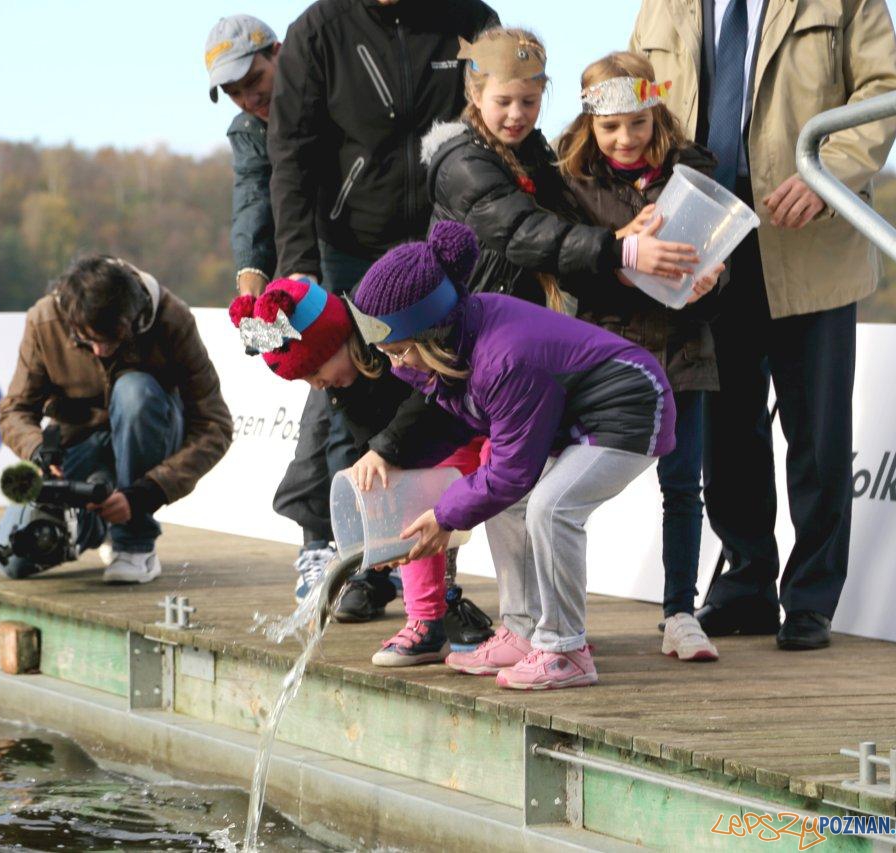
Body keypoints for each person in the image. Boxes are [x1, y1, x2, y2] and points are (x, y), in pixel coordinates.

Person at [630, 0, 896, 649]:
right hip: (702, 241)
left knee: (816, 427)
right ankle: (746, 580)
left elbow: (886, 91)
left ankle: (810, 598)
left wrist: (828, 173)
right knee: (725, 424)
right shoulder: (661, 4)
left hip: (810, 237)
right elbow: (636, 99)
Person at [350, 221, 677, 689]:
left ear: (432, 334)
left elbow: (511, 471)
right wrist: (390, 454)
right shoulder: (456, 344)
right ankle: (523, 633)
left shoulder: (505, 356)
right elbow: (452, 421)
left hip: (631, 403)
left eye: (400, 351)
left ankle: (565, 649)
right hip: (580, 414)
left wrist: (444, 516)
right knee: (510, 507)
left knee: (551, 507)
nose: (396, 365)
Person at [268, 0, 500, 615]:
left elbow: (499, 117)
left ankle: (427, 572)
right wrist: (298, 261)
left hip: (444, 240)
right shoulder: (318, 29)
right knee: (348, 398)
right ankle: (353, 560)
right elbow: (290, 152)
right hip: (350, 246)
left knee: (439, 398)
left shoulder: (471, 15)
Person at [229, 277, 495, 665]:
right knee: (404, 508)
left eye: (314, 370)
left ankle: (527, 623)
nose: (315, 384)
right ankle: (425, 621)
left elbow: (429, 395)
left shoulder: (388, 342)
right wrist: (381, 526)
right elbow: (366, 443)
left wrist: (384, 450)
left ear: (336, 341)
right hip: (424, 447)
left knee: (494, 502)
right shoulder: (343, 383)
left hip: (468, 424)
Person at [556, 51, 724, 662]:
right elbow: (567, 269)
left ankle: (681, 612)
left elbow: (716, 264)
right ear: (589, 125)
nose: (625, 139)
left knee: (683, 488)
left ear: (656, 113)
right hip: (605, 356)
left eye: (638, 123)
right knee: (566, 488)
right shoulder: (568, 182)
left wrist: (711, 283)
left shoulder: (695, 172)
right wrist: (621, 259)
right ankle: (563, 613)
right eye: (610, 127)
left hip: (682, 351)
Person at [420, 27, 703, 312]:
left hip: (513, 314)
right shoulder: (464, 164)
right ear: (475, 95)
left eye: (529, 101)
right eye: (503, 102)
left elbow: (567, 222)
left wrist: (622, 239)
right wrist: (623, 250)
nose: (517, 114)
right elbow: (523, 232)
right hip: (468, 318)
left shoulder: (534, 152)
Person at [0, 256, 233, 584]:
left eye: (110, 340)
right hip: (77, 443)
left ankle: (135, 544)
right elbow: (14, 411)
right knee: (13, 559)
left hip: (150, 435)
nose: (99, 351)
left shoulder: (172, 319)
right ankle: (95, 522)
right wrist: (39, 452)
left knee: (135, 392)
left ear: (134, 319)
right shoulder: (45, 320)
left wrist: (145, 494)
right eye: (86, 339)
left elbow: (215, 424)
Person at [205, 14, 281, 298]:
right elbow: (253, 199)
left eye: (254, 80)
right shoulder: (248, 131)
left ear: (278, 53)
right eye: (233, 93)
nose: (249, 101)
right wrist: (251, 272)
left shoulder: (333, 97)